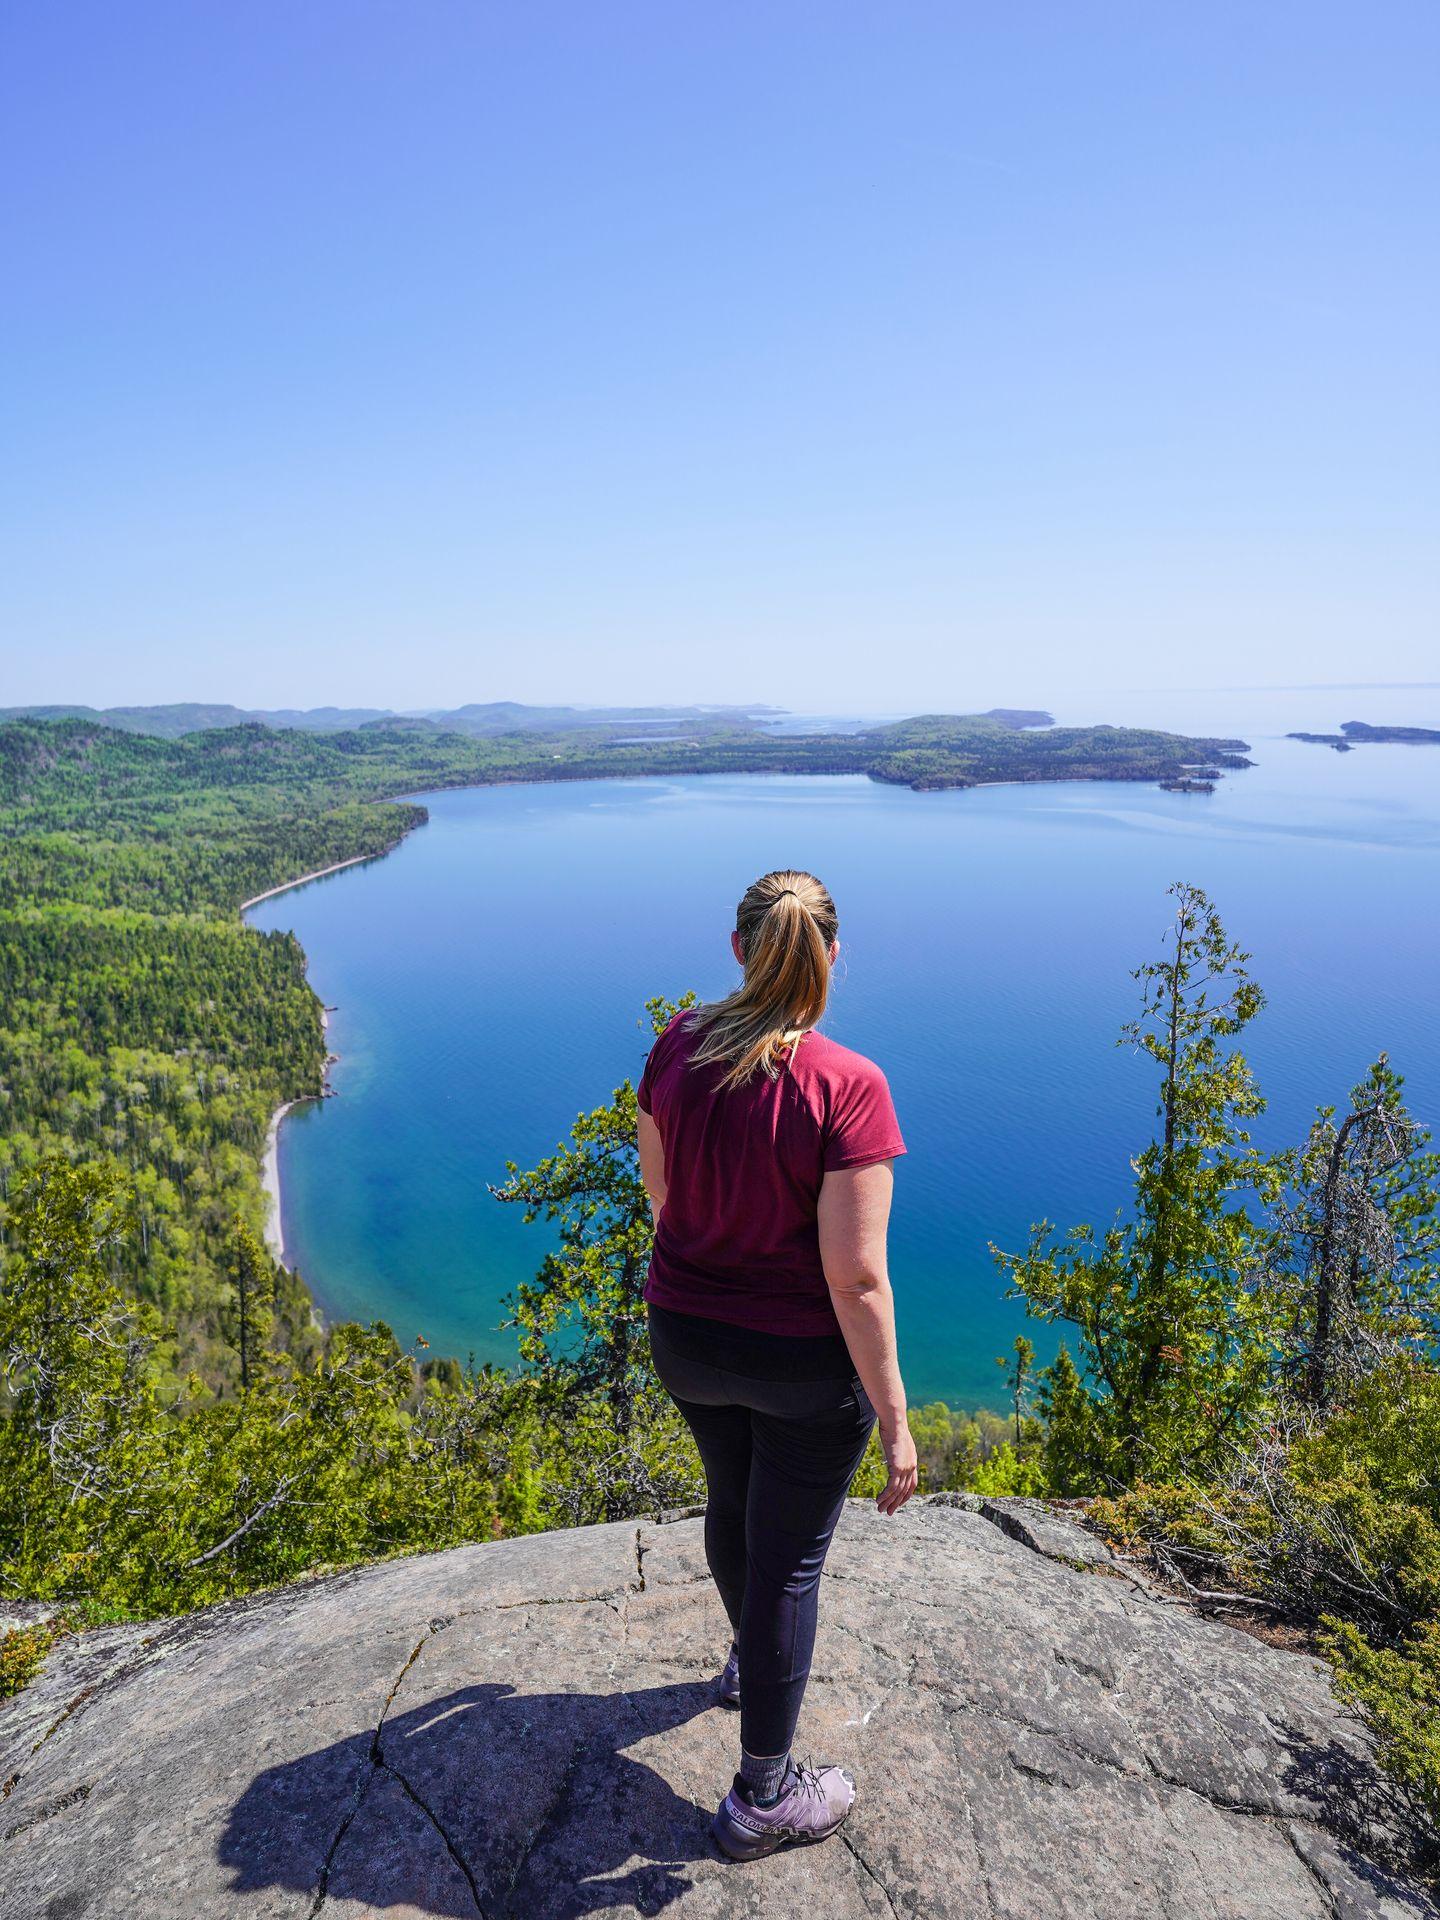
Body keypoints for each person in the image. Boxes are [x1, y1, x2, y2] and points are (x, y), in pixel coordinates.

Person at [636, 867, 917, 1862]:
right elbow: (858, 1281)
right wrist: (894, 1416)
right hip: (801, 1366)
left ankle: (751, 1670)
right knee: (789, 1560)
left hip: (686, 1338)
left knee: (732, 1501)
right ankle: (762, 1796)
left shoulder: (676, 1044)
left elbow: (663, 1198)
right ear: (830, 956)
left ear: (738, 947)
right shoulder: (849, 1087)